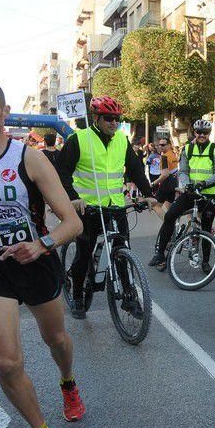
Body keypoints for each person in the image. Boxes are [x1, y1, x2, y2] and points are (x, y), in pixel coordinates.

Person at [0, 80, 86, 428]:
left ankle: (68, 382)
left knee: (56, 339)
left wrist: (41, 244)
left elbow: (71, 223)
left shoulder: (30, 159)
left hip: (35, 263)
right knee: (6, 363)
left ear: (4, 113)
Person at [56, 96, 157, 319]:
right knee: (84, 252)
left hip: (115, 206)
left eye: (117, 119)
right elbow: (61, 172)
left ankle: (129, 296)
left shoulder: (122, 140)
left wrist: (149, 195)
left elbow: (135, 169)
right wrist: (73, 197)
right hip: (87, 208)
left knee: (123, 251)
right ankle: (78, 295)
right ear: (96, 118)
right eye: (109, 119)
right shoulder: (78, 139)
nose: (114, 123)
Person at [147, 119, 215, 271]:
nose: (202, 135)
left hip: (209, 196)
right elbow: (183, 171)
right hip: (190, 193)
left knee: (206, 229)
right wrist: (186, 183)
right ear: (194, 133)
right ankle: (160, 253)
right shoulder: (187, 149)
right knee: (170, 216)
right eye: (199, 132)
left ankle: (206, 262)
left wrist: (204, 183)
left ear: (209, 134)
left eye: (205, 133)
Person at [150, 137, 179, 218]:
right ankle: (172, 226)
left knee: (156, 206)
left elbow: (165, 175)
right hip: (174, 183)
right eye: (159, 145)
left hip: (166, 184)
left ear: (169, 145)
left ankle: (168, 225)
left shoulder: (164, 157)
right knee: (168, 207)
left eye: (163, 145)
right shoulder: (173, 154)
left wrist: (152, 183)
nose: (160, 147)